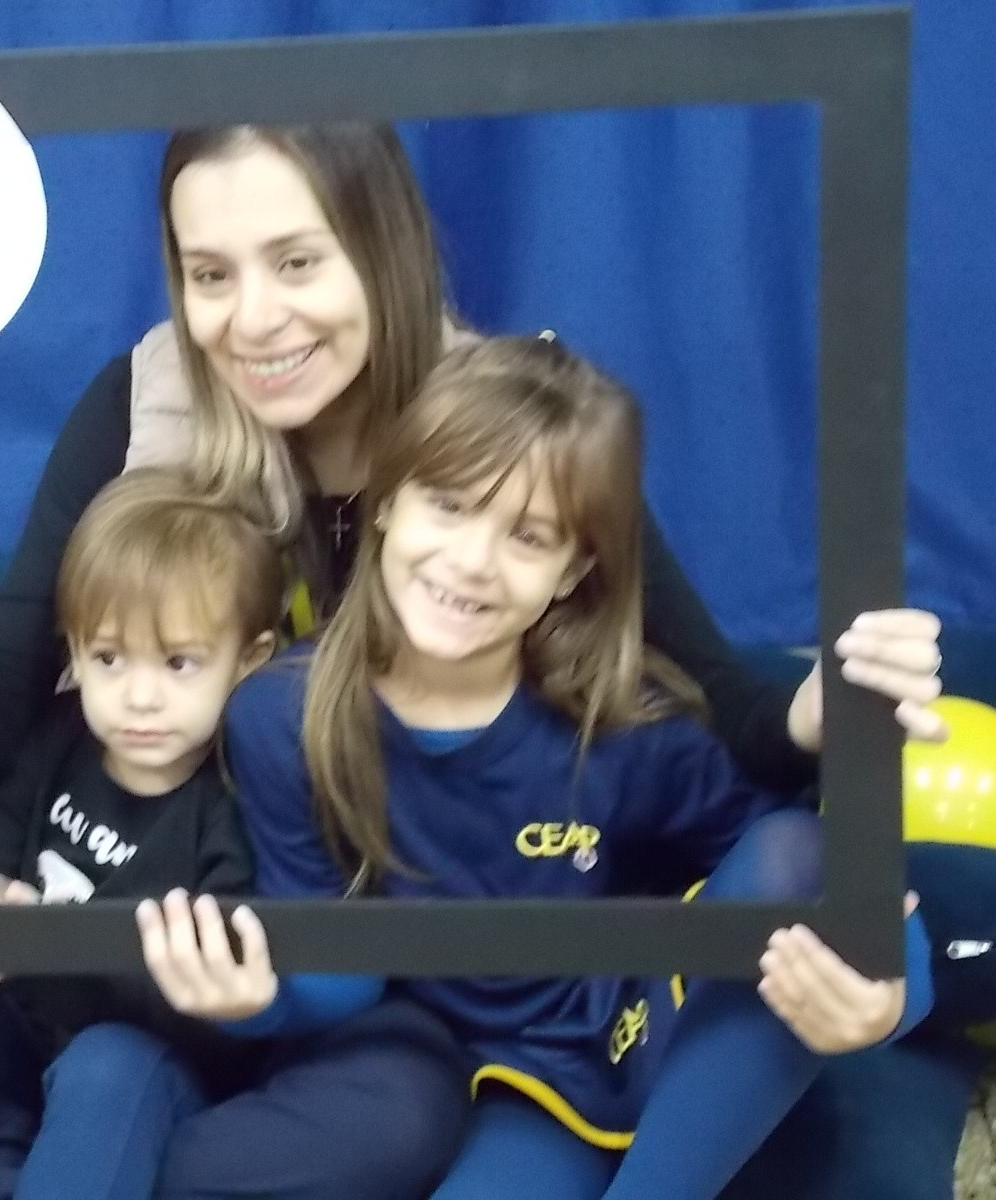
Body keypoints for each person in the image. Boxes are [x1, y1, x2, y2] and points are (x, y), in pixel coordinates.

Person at [0, 123, 945, 1199]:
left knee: (406, 1103)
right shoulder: (143, 406)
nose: (253, 317)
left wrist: (823, 718)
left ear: (381, 252)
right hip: (114, 908)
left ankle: (75, 1152)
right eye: (208, 274)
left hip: (343, 984)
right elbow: (0, 717)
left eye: (295, 261)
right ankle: (39, 1147)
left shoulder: (500, 435)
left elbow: (711, 721)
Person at [132, 336, 933, 1200]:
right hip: (465, 1079)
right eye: (448, 505)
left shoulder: (620, 726)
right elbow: (335, 965)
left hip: (603, 1045)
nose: (473, 560)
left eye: (527, 535)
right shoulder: (282, 715)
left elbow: (802, 862)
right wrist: (258, 1002)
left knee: (800, 853)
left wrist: (895, 994)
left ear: (570, 570)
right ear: (388, 504)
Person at [0, 468, 279, 1200]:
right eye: (108, 658)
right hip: (29, 1023)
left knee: (110, 1063)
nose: (139, 696)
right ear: (74, 651)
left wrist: (49, 938)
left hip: (151, 1064)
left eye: (179, 663)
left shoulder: (238, 797)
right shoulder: (62, 734)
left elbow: (206, 1003)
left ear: (248, 661)